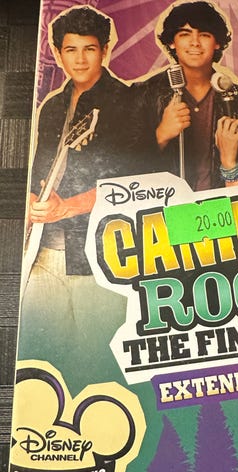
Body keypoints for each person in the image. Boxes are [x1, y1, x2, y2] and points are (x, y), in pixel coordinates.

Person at [18, 6, 131, 394]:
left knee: (96, 359)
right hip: (43, 249)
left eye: (89, 49)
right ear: (57, 52)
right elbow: (37, 172)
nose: (80, 59)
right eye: (70, 50)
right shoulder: (52, 106)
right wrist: (30, 205)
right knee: (43, 357)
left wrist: (67, 207)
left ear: (105, 51)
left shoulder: (127, 102)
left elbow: (134, 184)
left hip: (99, 252)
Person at [129, 1, 238, 191]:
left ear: (217, 43)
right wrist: (161, 134)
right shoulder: (143, 94)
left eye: (204, 34)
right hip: (167, 204)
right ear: (172, 42)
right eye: (185, 34)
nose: (195, 42)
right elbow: (124, 168)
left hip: (221, 205)